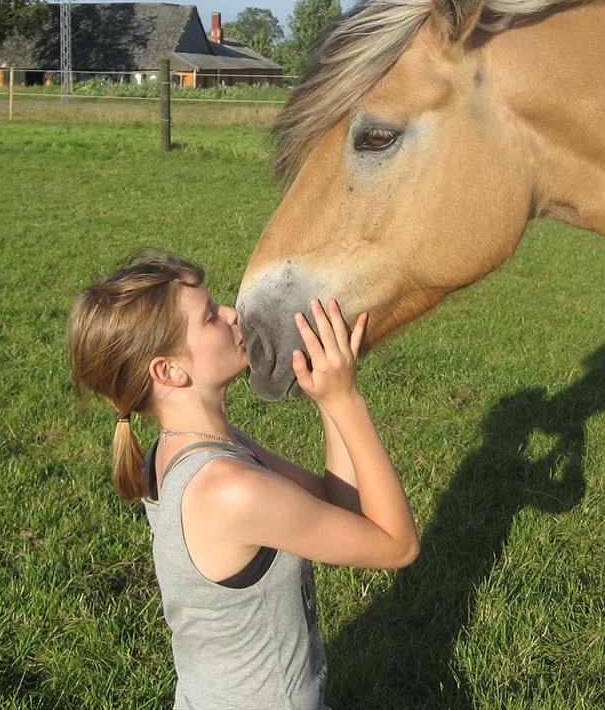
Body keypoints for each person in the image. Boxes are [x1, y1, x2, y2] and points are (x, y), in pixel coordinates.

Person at [67, 249, 418, 710]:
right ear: (168, 370)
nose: (232, 314)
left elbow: (338, 502)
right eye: (211, 316)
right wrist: (347, 401)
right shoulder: (227, 490)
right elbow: (397, 545)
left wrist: (327, 399)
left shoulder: (181, 449)